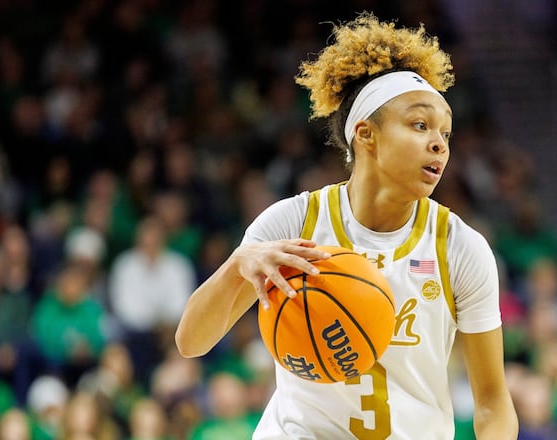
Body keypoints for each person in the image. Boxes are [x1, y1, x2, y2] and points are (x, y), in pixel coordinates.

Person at [175, 12, 518, 439]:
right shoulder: (295, 222)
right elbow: (191, 343)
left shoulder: (460, 247)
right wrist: (238, 265)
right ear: (365, 134)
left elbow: (493, 402)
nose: (439, 144)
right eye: (419, 124)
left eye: (445, 134)